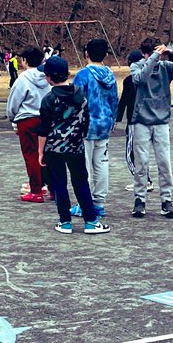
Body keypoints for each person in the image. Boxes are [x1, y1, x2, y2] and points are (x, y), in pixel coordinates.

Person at [37, 55, 111, 235]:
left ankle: (65, 221)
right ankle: (91, 221)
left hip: (54, 148)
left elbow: (43, 129)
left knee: (59, 183)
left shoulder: (49, 99)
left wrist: (41, 152)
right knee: (81, 182)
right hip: (76, 147)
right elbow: (86, 121)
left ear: (49, 77)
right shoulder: (80, 96)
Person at [128, 38, 173, 218]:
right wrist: (153, 58)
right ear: (144, 54)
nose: (157, 58)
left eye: (159, 53)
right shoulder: (136, 66)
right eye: (151, 54)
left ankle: (166, 199)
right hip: (141, 121)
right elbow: (140, 79)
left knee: (164, 162)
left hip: (161, 122)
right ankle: (139, 199)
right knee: (141, 163)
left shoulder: (166, 67)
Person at [72, 38, 118, 215]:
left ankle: (84, 203)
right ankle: (99, 202)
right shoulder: (110, 75)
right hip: (104, 124)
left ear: (86, 54)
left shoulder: (83, 75)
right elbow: (114, 101)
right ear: (106, 55)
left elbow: (75, 101)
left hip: (85, 126)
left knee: (83, 166)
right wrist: (112, 120)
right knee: (101, 164)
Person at [5, 46, 50, 202]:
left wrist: (12, 118)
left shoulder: (22, 79)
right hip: (46, 119)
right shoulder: (47, 78)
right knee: (46, 155)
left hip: (27, 120)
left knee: (31, 155)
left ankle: (36, 190)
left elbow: (13, 103)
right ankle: (53, 188)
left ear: (24, 61)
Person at [116, 51, 153, 193]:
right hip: (148, 119)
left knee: (130, 152)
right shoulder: (150, 78)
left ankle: (143, 180)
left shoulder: (129, 80)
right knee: (142, 152)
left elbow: (123, 101)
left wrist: (117, 119)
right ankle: (145, 179)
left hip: (133, 120)